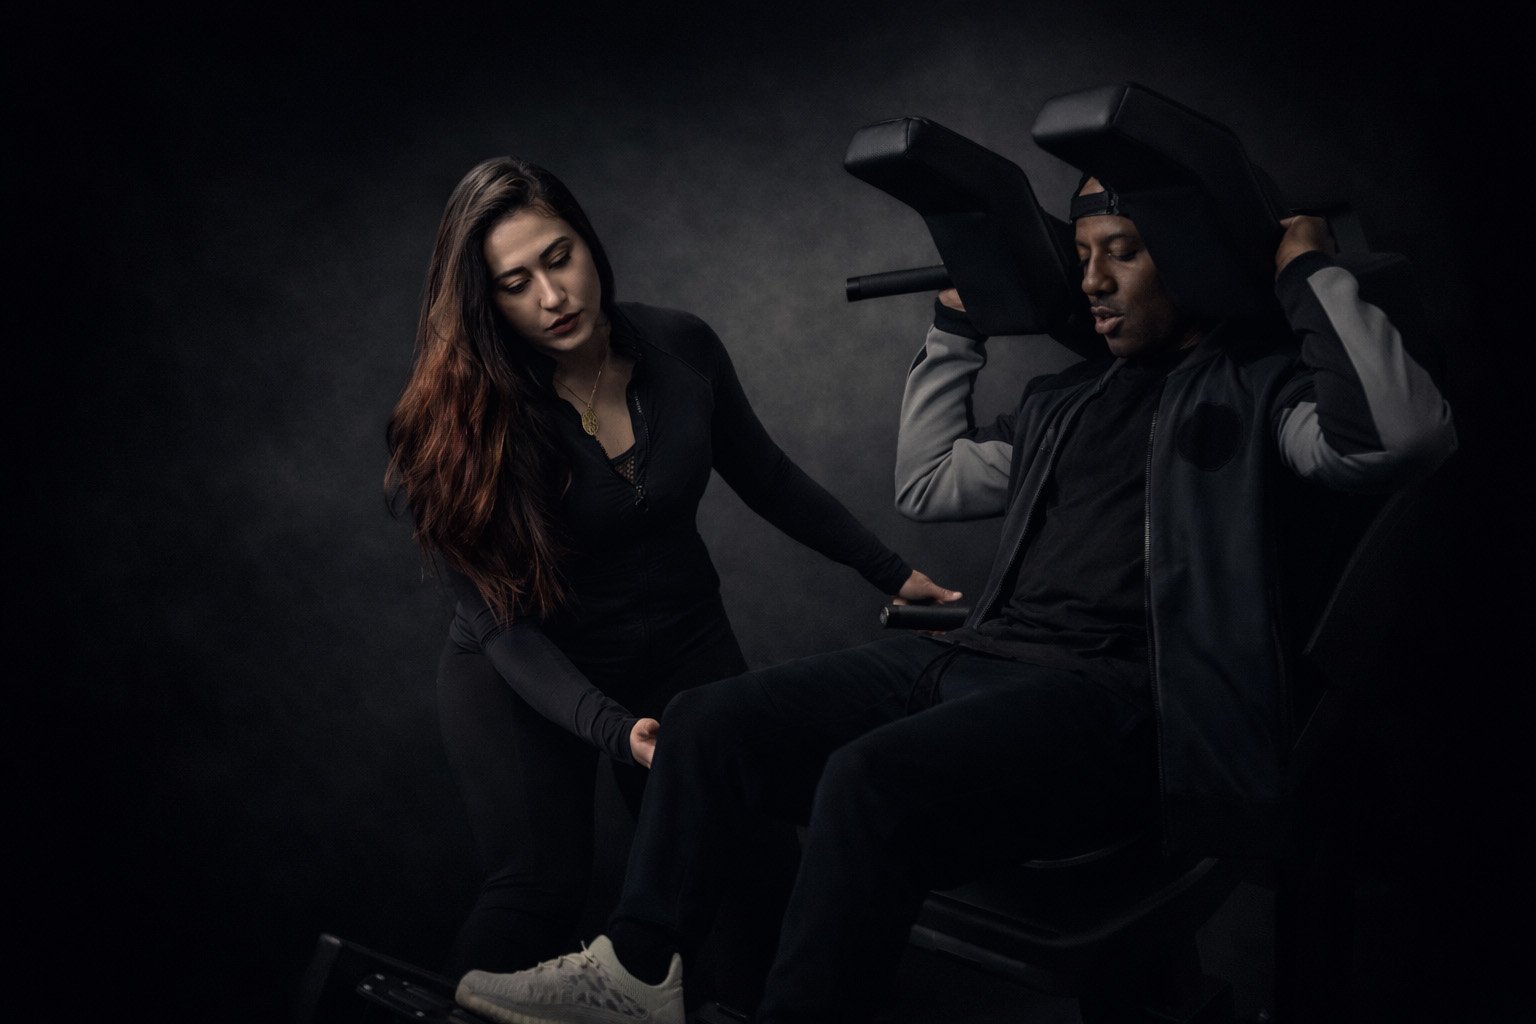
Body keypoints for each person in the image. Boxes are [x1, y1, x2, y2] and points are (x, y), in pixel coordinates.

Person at [448, 172, 1457, 1024]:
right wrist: (953, 328)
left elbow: (1406, 439)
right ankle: (637, 972)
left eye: (1122, 254)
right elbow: (928, 481)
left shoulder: (1263, 398)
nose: (1092, 281)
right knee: (708, 721)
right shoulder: (1065, 403)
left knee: (868, 779)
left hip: (1120, 695)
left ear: (1192, 260)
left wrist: (1306, 270)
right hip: (983, 654)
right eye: (1084, 255)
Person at [382, 157, 958, 998]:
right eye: (515, 283)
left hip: (682, 645)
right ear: (485, 301)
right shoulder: (459, 424)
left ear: (589, 243)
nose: (552, 295)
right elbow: (504, 627)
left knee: (756, 874)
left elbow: (765, 474)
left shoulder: (681, 346)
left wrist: (892, 573)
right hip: (529, 675)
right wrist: (616, 729)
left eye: (559, 257)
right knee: (539, 892)